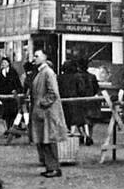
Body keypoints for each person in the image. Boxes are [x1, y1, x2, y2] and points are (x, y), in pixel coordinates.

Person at [30, 49, 68, 178]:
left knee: (49, 141)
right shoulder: (41, 72)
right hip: (42, 113)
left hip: (48, 113)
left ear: (44, 57)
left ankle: (54, 168)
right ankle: (50, 167)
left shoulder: (48, 73)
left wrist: (42, 103)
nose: (34, 58)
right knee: (44, 141)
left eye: (37, 56)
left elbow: (53, 93)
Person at [0, 58, 23, 135]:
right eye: (2, 62)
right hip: (4, 97)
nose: (3, 64)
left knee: (15, 113)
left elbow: (17, 83)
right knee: (6, 114)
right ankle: (8, 129)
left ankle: (16, 131)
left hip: (13, 97)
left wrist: (17, 91)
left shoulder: (13, 72)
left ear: (9, 63)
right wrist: (0, 96)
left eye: (5, 62)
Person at [58, 61, 85, 141]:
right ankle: (77, 135)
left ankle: (68, 134)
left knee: (66, 118)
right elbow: (81, 89)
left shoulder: (59, 77)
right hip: (75, 100)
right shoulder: (77, 77)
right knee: (75, 118)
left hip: (63, 101)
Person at [77, 58, 101, 146]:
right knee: (90, 120)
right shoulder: (92, 76)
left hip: (80, 100)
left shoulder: (77, 76)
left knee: (80, 120)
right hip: (91, 100)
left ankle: (83, 134)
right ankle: (89, 136)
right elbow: (96, 89)